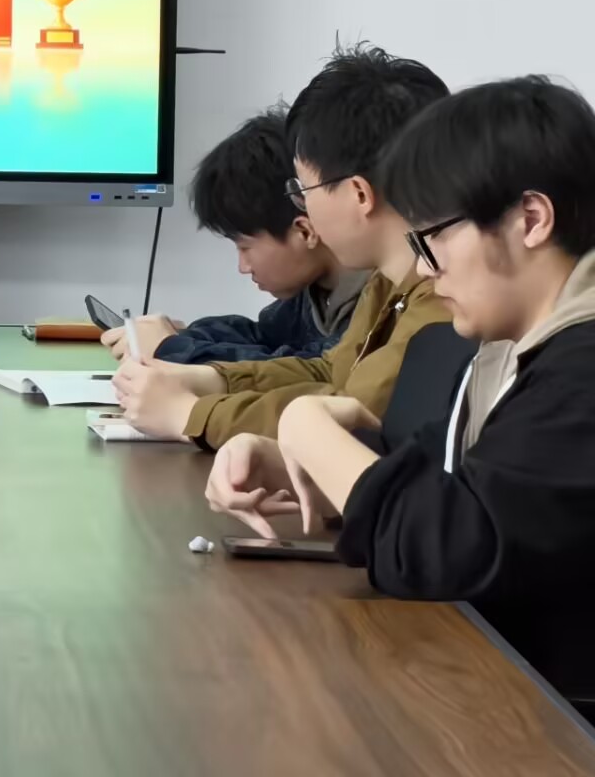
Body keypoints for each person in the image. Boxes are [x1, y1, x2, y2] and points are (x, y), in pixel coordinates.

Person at [209, 78, 595, 716]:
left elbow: (447, 549)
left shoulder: (581, 366)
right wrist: (295, 461)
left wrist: (306, 424)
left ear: (530, 219)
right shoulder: (513, 348)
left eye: (433, 237)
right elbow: (453, 482)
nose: (422, 267)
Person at [115, 44, 450, 444]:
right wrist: (206, 378)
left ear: (359, 194)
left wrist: (190, 415)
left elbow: (354, 414)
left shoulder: (442, 296)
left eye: (303, 189)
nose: (302, 205)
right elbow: (328, 370)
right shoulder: (388, 280)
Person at [103, 109, 366, 364]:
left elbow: (309, 369)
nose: (243, 267)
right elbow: (260, 337)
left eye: (244, 246)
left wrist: (172, 348)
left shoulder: (374, 304)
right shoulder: (314, 292)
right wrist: (182, 338)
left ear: (305, 231)